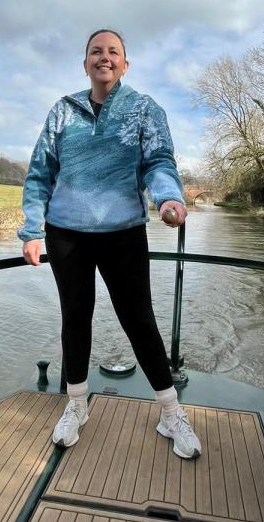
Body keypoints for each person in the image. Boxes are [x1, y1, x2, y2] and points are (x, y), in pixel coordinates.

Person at [19, 28, 202, 459]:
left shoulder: (144, 110)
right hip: (66, 233)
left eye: (113, 52)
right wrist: (31, 230)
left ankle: (170, 414)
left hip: (123, 232)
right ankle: (76, 406)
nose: (104, 57)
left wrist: (169, 198)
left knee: (139, 320)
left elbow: (158, 162)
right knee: (75, 317)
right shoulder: (62, 112)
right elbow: (39, 172)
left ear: (125, 64)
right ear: (85, 64)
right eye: (95, 51)